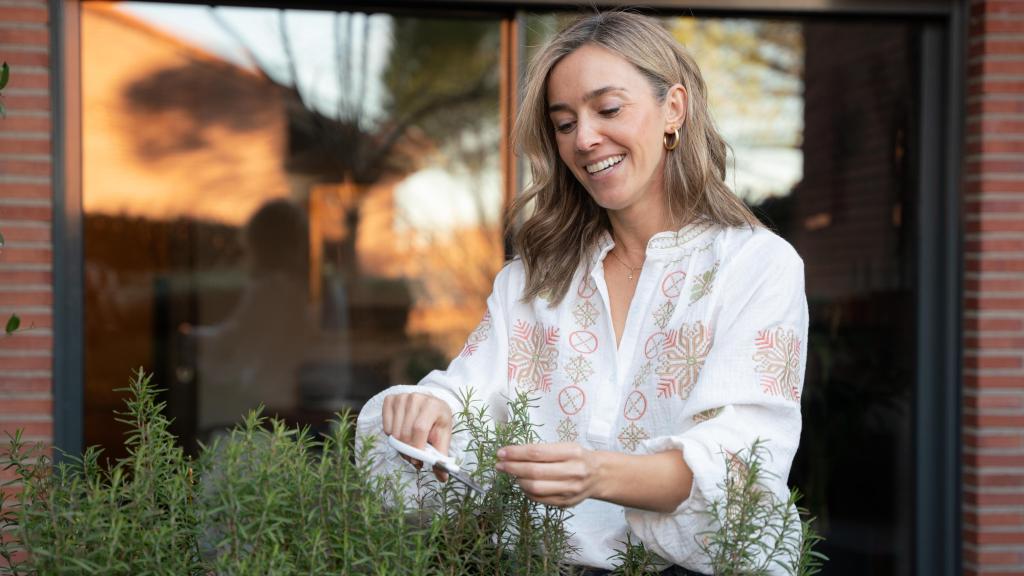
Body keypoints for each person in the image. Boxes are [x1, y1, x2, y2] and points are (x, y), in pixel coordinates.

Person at [356, 11, 807, 575]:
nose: (586, 139)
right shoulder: (532, 280)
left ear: (674, 109)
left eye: (609, 109)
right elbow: (468, 395)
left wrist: (599, 473)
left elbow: (743, 460)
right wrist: (427, 408)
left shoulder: (756, 267)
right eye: (564, 123)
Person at [188, 199, 315, 438]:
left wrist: (188, 337)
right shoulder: (297, 290)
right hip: (283, 403)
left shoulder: (271, 290)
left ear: (260, 245)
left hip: (262, 408)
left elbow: (234, 340)